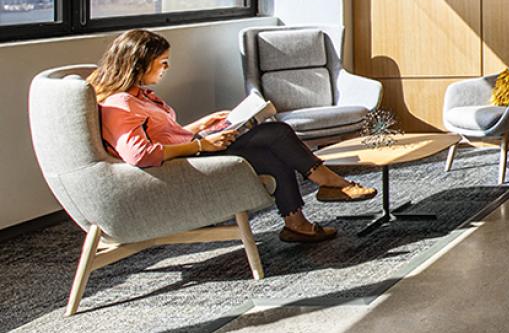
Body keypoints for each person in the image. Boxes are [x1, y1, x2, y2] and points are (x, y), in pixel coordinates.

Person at [91, 29, 376, 244]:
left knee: (270, 152)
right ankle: (328, 181)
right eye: (162, 63)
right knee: (275, 133)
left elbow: (163, 135)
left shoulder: (139, 97)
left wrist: (200, 126)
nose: (167, 69)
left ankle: (296, 223)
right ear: (139, 64)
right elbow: (140, 155)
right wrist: (202, 144)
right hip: (186, 163)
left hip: (195, 147)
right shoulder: (121, 104)